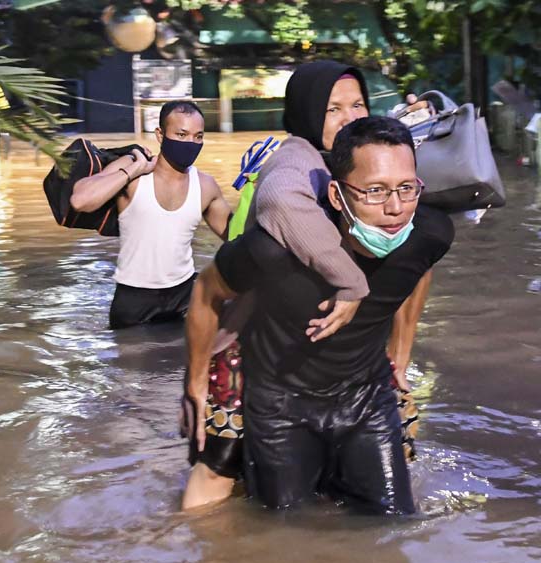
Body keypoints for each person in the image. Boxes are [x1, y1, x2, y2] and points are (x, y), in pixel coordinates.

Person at [181, 61, 433, 510]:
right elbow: (277, 204)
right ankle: (190, 549)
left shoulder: (371, 166)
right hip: (253, 334)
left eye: (358, 104)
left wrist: (401, 350)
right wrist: (195, 381)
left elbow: (417, 255)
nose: (350, 118)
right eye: (333, 109)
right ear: (305, 112)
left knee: (391, 457)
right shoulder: (296, 159)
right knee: (220, 462)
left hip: (343, 364)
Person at [70, 101, 232, 329]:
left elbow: (238, 236)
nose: (190, 143)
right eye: (181, 134)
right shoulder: (132, 170)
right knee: (131, 362)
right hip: (134, 299)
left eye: (198, 136)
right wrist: (134, 168)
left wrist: (256, 193)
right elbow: (81, 200)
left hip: (184, 296)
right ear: (160, 134)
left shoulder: (205, 185)